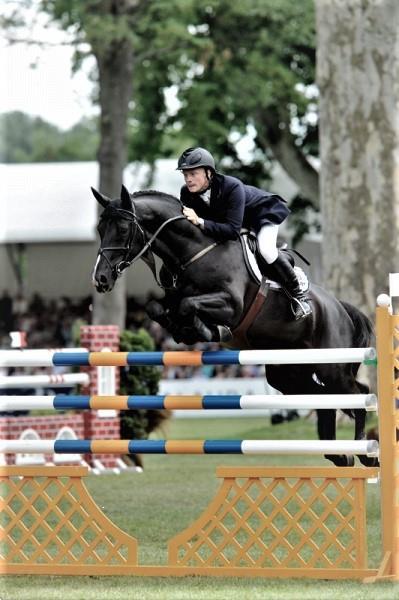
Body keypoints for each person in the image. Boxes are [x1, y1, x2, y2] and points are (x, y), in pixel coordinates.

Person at [177, 146, 311, 320]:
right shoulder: (186, 194)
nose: (188, 179)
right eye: (185, 175)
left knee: (266, 250)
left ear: (209, 173)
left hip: (262, 215)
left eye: (193, 174)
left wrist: (201, 221)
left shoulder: (231, 186)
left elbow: (231, 230)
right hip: (236, 223)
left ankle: (299, 295)